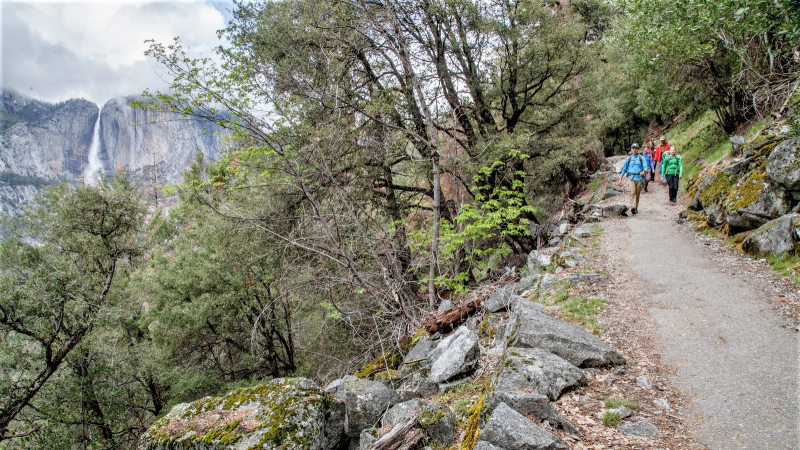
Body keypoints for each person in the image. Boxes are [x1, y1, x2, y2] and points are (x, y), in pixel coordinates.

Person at [618, 143, 648, 214]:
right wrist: (621, 177)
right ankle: (633, 207)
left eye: (636, 148)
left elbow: (645, 166)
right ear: (631, 149)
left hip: (639, 178)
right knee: (632, 192)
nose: (634, 150)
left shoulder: (641, 158)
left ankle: (636, 207)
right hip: (630, 178)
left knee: (637, 193)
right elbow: (624, 169)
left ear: (638, 149)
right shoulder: (628, 159)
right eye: (633, 148)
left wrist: (644, 171)